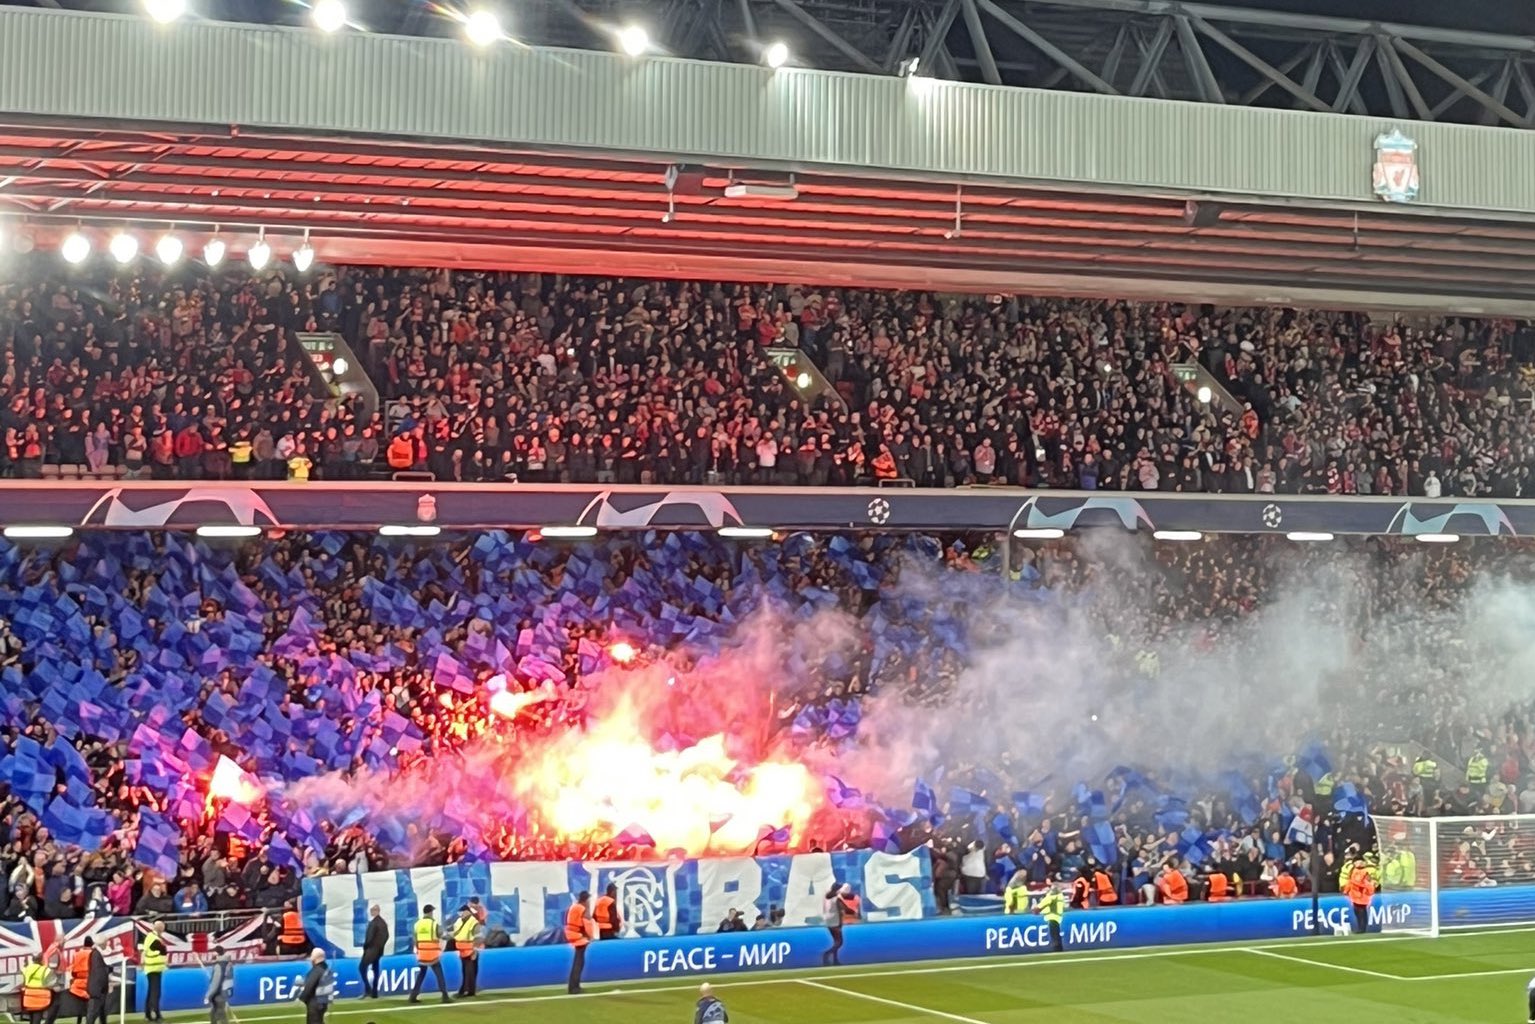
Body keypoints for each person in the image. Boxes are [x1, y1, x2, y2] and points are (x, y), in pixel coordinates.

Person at [408, 904, 450, 1004]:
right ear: (431, 912)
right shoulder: (434, 924)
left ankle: (413, 996)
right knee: (439, 975)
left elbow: (415, 939)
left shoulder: (417, 924)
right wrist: (452, 935)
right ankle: (445, 996)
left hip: (422, 954)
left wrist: (418, 951)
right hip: (432, 955)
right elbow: (443, 936)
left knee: (421, 975)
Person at [565, 891, 593, 995]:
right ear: (586, 900)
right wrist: (589, 937)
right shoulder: (582, 909)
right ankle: (574, 987)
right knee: (579, 962)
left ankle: (573, 986)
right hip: (579, 936)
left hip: (572, 934)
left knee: (578, 961)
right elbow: (586, 924)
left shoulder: (574, 907)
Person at [297, 949, 335, 1024]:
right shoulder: (326, 969)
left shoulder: (317, 970)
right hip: (323, 1002)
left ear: (315, 958)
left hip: (315, 1002)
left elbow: (309, 985)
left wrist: (302, 998)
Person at [359, 903, 388, 998]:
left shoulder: (373, 923)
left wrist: (366, 947)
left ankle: (368, 988)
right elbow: (386, 936)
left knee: (362, 967)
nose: (371, 912)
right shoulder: (383, 923)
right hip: (379, 950)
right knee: (375, 969)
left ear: (376, 911)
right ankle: (374, 992)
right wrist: (381, 946)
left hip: (371, 950)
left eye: (372, 910)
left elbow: (369, 938)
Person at [141, 922, 167, 1023]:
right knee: (155, 993)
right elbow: (145, 950)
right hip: (153, 968)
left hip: (156, 968)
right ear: (160, 928)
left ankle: (148, 1015)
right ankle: (157, 1015)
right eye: (163, 927)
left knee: (151, 992)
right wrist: (143, 961)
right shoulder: (152, 937)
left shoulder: (154, 937)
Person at [451, 905, 480, 998]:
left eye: (462, 912)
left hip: (471, 951)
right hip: (462, 951)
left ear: (467, 912)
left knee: (470, 972)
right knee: (465, 972)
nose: (460, 914)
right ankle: (464, 990)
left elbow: (478, 937)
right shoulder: (459, 921)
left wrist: (475, 951)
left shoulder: (474, 922)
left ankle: (470, 991)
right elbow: (455, 934)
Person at [19, 951, 54, 1024]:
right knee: (37, 1019)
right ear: (41, 959)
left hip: (28, 997)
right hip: (40, 998)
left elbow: (21, 982)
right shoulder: (46, 970)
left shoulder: (26, 969)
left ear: (33, 959)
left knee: (32, 1019)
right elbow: (52, 983)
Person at [1344, 859, 1377, 935]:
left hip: (1362, 896)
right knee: (1357, 912)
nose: (1358, 863)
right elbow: (1350, 882)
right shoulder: (1353, 870)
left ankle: (1362, 928)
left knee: (1362, 912)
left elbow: (1366, 884)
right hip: (1355, 896)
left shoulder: (1366, 871)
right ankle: (1360, 928)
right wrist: (1346, 890)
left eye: (1359, 862)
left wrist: (1369, 891)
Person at [1034, 881, 1066, 953]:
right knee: (1057, 936)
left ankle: (1056, 950)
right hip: (1059, 918)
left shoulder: (1051, 897)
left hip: (1051, 918)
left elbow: (1039, 907)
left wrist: (1035, 909)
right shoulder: (1060, 896)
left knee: (1054, 937)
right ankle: (1060, 951)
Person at [83, 938, 109, 1024]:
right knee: (93, 1012)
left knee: (101, 1011)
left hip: (99, 987)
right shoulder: (96, 954)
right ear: (102, 944)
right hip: (97, 988)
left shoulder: (97, 954)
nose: (107, 945)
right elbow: (98, 972)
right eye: (106, 943)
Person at [204, 952, 234, 1024]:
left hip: (219, 993)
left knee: (220, 1013)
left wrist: (208, 996)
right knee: (214, 1013)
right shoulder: (228, 966)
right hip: (223, 992)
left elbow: (216, 983)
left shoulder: (219, 966)